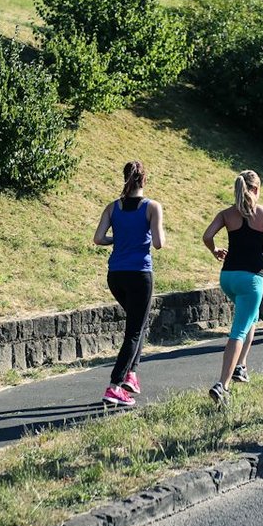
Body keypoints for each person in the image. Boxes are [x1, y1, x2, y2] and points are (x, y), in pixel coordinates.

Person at [203, 170, 263, 407]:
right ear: (256, 189)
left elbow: (207, 236)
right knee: (238, 332)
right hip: (252, 278)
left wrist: (215, 251)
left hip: (228, 277)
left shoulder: (227, 213)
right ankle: (223, 385)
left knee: (250, 317)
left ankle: (241, 366)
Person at [91, 162, 165, 407]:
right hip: (139, 274)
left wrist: (119, 237)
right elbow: (158, 243)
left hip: (116, 276)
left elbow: (98, 238)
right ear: (144, 180)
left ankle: (132, 375)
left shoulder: (113, 207)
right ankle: (114, 385)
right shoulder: (152, 207)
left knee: (139, 323)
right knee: (134, 330)